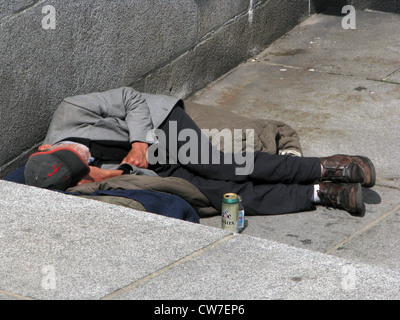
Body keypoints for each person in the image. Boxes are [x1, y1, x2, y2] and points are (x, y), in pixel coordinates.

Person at [24, 87, 376, 216]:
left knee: (216, 164)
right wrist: (113, 174)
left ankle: (327, 167)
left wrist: (139, 143)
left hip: (160, 127)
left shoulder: (69, 110)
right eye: (81, 167)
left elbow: (131, 98)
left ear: (46, 145)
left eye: (78, 153)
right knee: (217, 194)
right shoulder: (74, 179)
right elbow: (136, 178)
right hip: (150, 167)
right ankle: (320, 193)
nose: (85, 159)